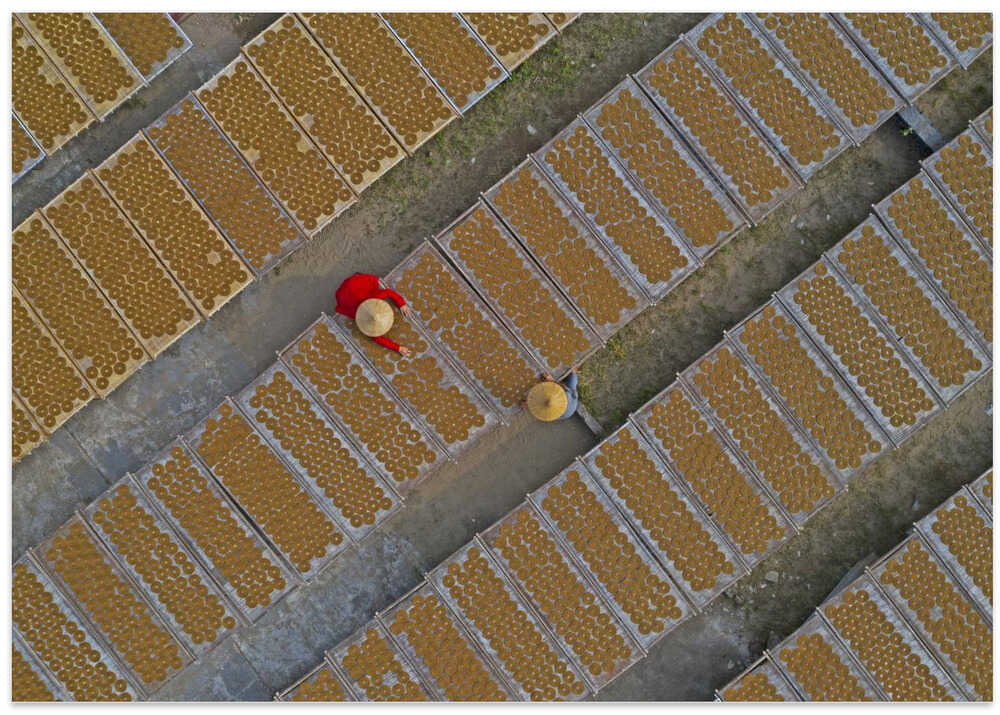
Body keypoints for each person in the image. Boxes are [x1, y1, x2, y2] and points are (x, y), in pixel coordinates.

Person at [334, 272, 413, 356]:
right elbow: (377, 339)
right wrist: (397, 348)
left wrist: (402, 304)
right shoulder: (364, 316)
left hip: (354, 285)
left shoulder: (374, 299)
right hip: (347, 292)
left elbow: (388, 292)